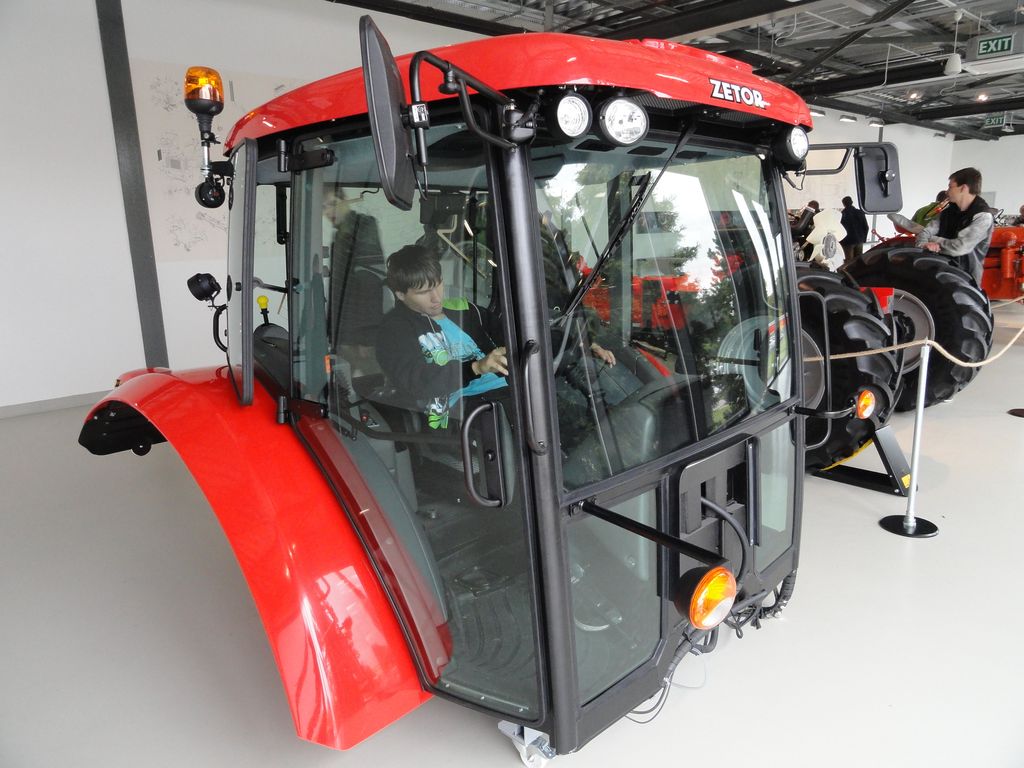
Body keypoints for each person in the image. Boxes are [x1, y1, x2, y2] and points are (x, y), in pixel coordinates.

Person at [377, 244, 507, 430]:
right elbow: (416, 381)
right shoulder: (395, 331)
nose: (436, 298)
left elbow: (509, 336)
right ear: (401, 295)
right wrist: (475, 368)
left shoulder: (465, 310)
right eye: (423, 292)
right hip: (460, 412)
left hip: (505, 392)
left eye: (438, 284)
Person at [914, 167, 994, 283]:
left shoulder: (982, 217)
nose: (947, 191)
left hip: (965, 280)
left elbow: (959, 247)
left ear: (963, 188)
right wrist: (923, 244)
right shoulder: (947, 212)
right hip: (940, 271)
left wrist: (933, 241)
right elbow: (926, 232)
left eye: (950, 187)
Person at [839, 196, 869, 262]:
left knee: (849, 262)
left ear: (843, 204)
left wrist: (840, 242)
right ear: (852, 202)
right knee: (859, 261)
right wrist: (863, 239)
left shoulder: (842, 215)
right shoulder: (860, 212)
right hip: (859, 240)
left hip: (847, 242)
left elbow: (840, 229)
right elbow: (866, 227)